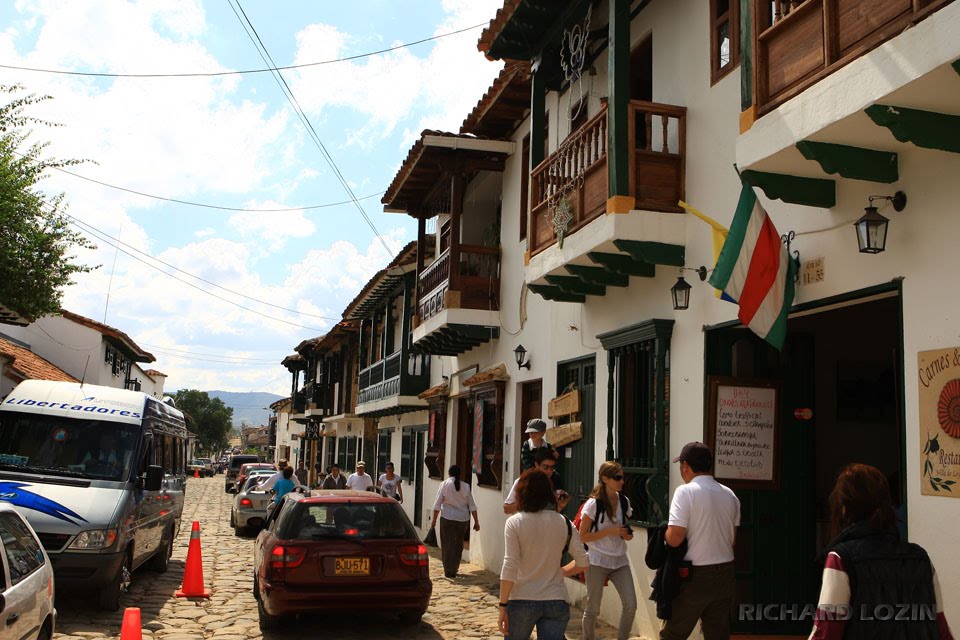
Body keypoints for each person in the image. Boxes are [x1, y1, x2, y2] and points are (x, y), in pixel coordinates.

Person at [810, 463, 953, 639]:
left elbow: (826, 633)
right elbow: (941, 631)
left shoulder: (841, 559)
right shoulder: (921, 558)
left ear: (844, 509)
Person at [661, 442, 740, 640]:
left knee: (674, 633)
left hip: (695, 575)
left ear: (685, 466)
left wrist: (663, 534)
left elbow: (675, 539)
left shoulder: (685, 492)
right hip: (725, 572)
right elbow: (732, 540)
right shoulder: (730, 494)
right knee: (717, 633)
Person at [499, 469, 589, 640]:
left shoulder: (514, 523)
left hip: (521, 598)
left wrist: (503, 604)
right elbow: (583, 562)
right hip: (555, 598)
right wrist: (560, 572)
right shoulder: (564, 523)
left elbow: (510, 565)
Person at [578, 461, 636, 640]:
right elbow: (583, 536)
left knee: (631, 605)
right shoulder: (593, 504)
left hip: (620, 561)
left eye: (622, 477)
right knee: (593, 608)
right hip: (597, 561)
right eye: (617, 478)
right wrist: (609, 531)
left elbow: (627, 533)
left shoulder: (624, 502)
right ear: (605, 479)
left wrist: (626, 535)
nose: (622, 481)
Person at [431, 465, 480, 578]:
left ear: (449, 473)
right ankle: (455, 568)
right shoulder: (466, 486)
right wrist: (476, 522)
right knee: (458, 545)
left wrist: (434, 520)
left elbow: (437, 505)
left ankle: (448, 570)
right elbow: (472, 506)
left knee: (447, 544)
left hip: (447, 519)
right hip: (462, 520)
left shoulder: (444, 484)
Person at [504, 448, 570, 515]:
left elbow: (553, 512)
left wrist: (561, 505)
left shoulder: (555, 480)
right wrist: (526, 500)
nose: (549, 471)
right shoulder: (524, 481)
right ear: (536, 465)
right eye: (545, 467)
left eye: (552, 468)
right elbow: (507, 509)